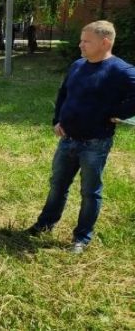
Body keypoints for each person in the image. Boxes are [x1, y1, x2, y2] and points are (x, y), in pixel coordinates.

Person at [27, 20, 135, 254]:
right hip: (68, 140)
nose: (80, 45)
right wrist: (57, 120)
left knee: (89, 191)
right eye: (81, 40)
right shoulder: (77, 65)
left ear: (105, 42)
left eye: (87, 41)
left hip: (95, 143)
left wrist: (118, 113)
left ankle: (81, 237)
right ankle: (44, 224)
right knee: (57, 185)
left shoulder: (120, 70)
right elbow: (64, 92)